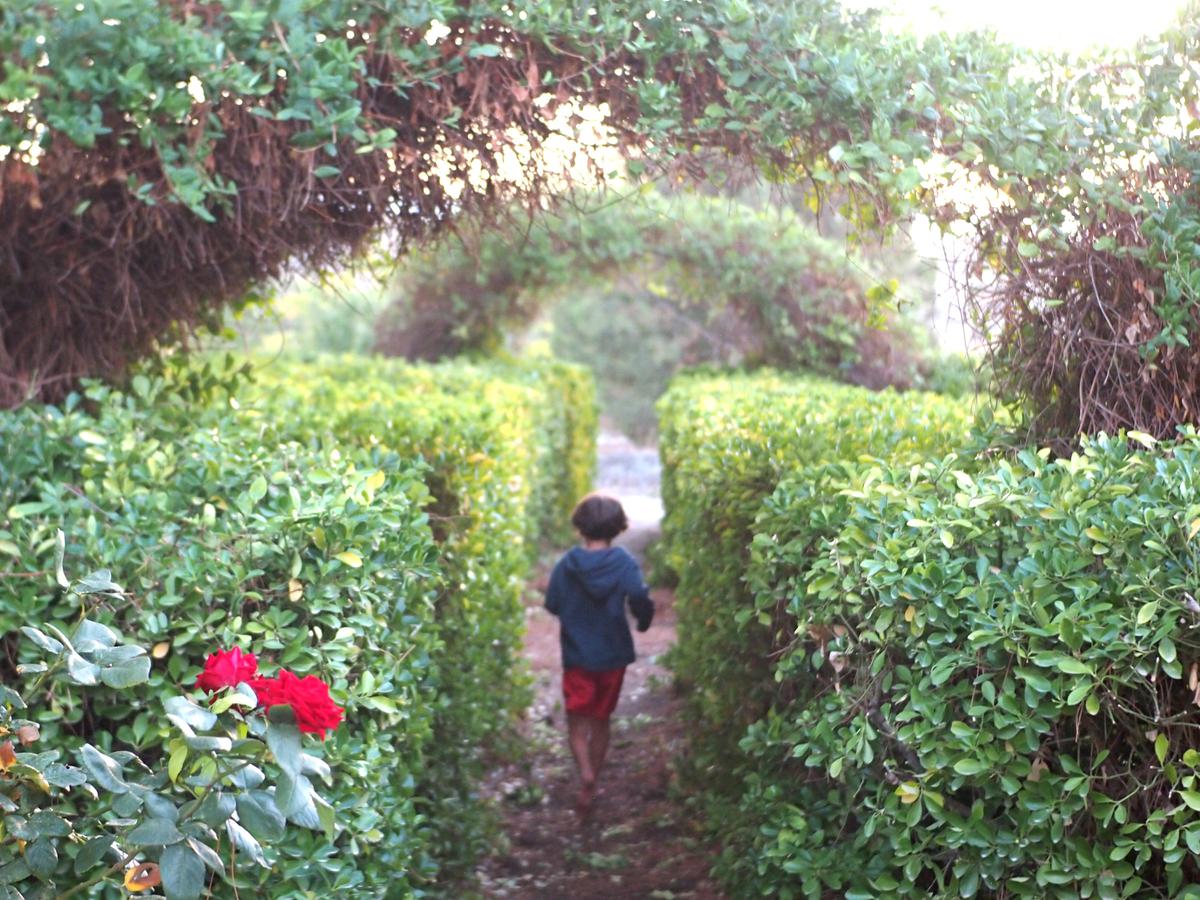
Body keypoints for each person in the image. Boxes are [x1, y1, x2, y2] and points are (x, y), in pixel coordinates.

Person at [545, 493, 654, 816]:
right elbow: (638, 595)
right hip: (612, 655)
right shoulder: (623, 562)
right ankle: (594, 776)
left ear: (580, 526)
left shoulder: (567, 565)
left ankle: (585, 773)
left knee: (576, 720)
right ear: (618, 527)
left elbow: (552, 603)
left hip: (577, 655)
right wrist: (643, 619)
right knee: (601, 719)